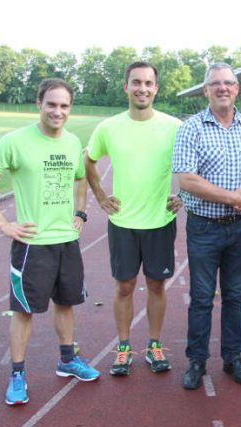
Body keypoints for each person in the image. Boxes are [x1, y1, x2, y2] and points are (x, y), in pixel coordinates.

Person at [0, 78, 100, 406]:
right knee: (24, 310)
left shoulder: (72, 142)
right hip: (32, 244)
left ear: (70, 109)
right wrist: (3, 224)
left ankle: (68, 360)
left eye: (64, 106)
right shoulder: (15, 142)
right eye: (52, 104)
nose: (58, 111)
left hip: (66, 240)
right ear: (38, 104)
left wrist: (80, 213)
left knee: (67, 303)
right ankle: (17, 374)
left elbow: (81, 179)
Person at [173, 62, 241, 390]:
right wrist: (231, 197)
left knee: (235, 295)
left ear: (237, 88)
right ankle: (196, 361)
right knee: (201, 297)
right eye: (216, 83)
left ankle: (233, 358)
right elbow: (186, 180)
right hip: (204, 227)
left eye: (229, 83)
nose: (223, 88)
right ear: (205, 90)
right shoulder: (191, 128)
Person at [85, 62, 182, 376]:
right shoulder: (109, 127)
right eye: (136, 82)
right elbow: (88, 160)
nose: (143, 88)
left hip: (160, 221)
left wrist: (183, 194)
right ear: (125, 86)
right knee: (125, 286)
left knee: (157, 284)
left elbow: (195, 163)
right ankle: (124, 347)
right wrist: (100, 195)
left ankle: (154, 345)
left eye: (149, 83)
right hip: (123, 223)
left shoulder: (174, 126)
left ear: (156, 88)